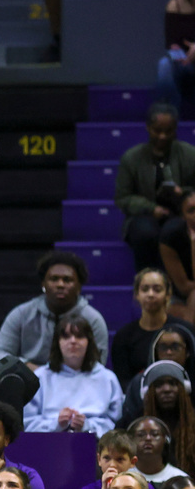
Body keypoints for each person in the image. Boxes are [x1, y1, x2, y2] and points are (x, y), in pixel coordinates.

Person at [0, 250, 109, 371]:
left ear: (79, 287)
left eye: (67, 280)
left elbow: (96, 366)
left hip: (73, 384)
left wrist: (58, 378)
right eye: (54, 279)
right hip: (27, 382)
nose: (60, 284)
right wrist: (29, 368)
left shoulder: (93, 319)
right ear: (43, 284)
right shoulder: (22, 313)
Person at [116, 104, 195, 272]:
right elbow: (123, 197)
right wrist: (151, 208)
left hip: (180, 214)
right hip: (143, 216)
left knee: (175, 230)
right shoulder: (131, 158)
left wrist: (184, 193)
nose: (162, 136)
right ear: (148, 127)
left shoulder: (189, 154)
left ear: (175, 130)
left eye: (169, 131)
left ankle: (177, 287)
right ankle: (147, 283)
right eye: (157, 130)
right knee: (145, 233)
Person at [23, 316, 124, 435]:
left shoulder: (107, 378)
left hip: (97, 445)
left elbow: (117, 425)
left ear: (89, 342)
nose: (73, 341)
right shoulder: (40, 377)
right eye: (66, 336)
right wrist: (56, 424)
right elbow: (27, 424)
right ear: (58, 342)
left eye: (79, 336)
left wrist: (87, 426)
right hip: (48, 443)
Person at [113, 270, 195, 388]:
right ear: (137, 294)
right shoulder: (124, 336)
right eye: (145, 289)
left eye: (157, 289)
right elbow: (124, 382)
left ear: (167, 294)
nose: (150, 294)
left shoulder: (184, 330)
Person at [121, 326, 195, 426]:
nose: (169, 352)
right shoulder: (140, 383)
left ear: (188, 352)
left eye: (175, 347)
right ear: (155, 351)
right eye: (163, 347)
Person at [138, 361, 195, 474]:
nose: (167, 389)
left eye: (172, 383)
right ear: (148, 392)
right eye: (159, 385)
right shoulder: (134, 422)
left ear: (184, 389)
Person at [157, 0, 195, 111]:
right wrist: (184, 58)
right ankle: (168, 115)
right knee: (164, 64)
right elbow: (172, 44)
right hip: (185, 61)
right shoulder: (175, 5)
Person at [160, 190, 195, 323]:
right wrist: (193, 244)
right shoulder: (170, 236)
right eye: (191, 211)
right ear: (183, 216)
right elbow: (184, 288)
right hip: (178, 296)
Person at [128, 416, 189, 485]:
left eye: (155, 434)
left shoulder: (180, 479)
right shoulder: (123, 476)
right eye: (141, 435)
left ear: (166, 440)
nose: (148, 438)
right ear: (130, 440)